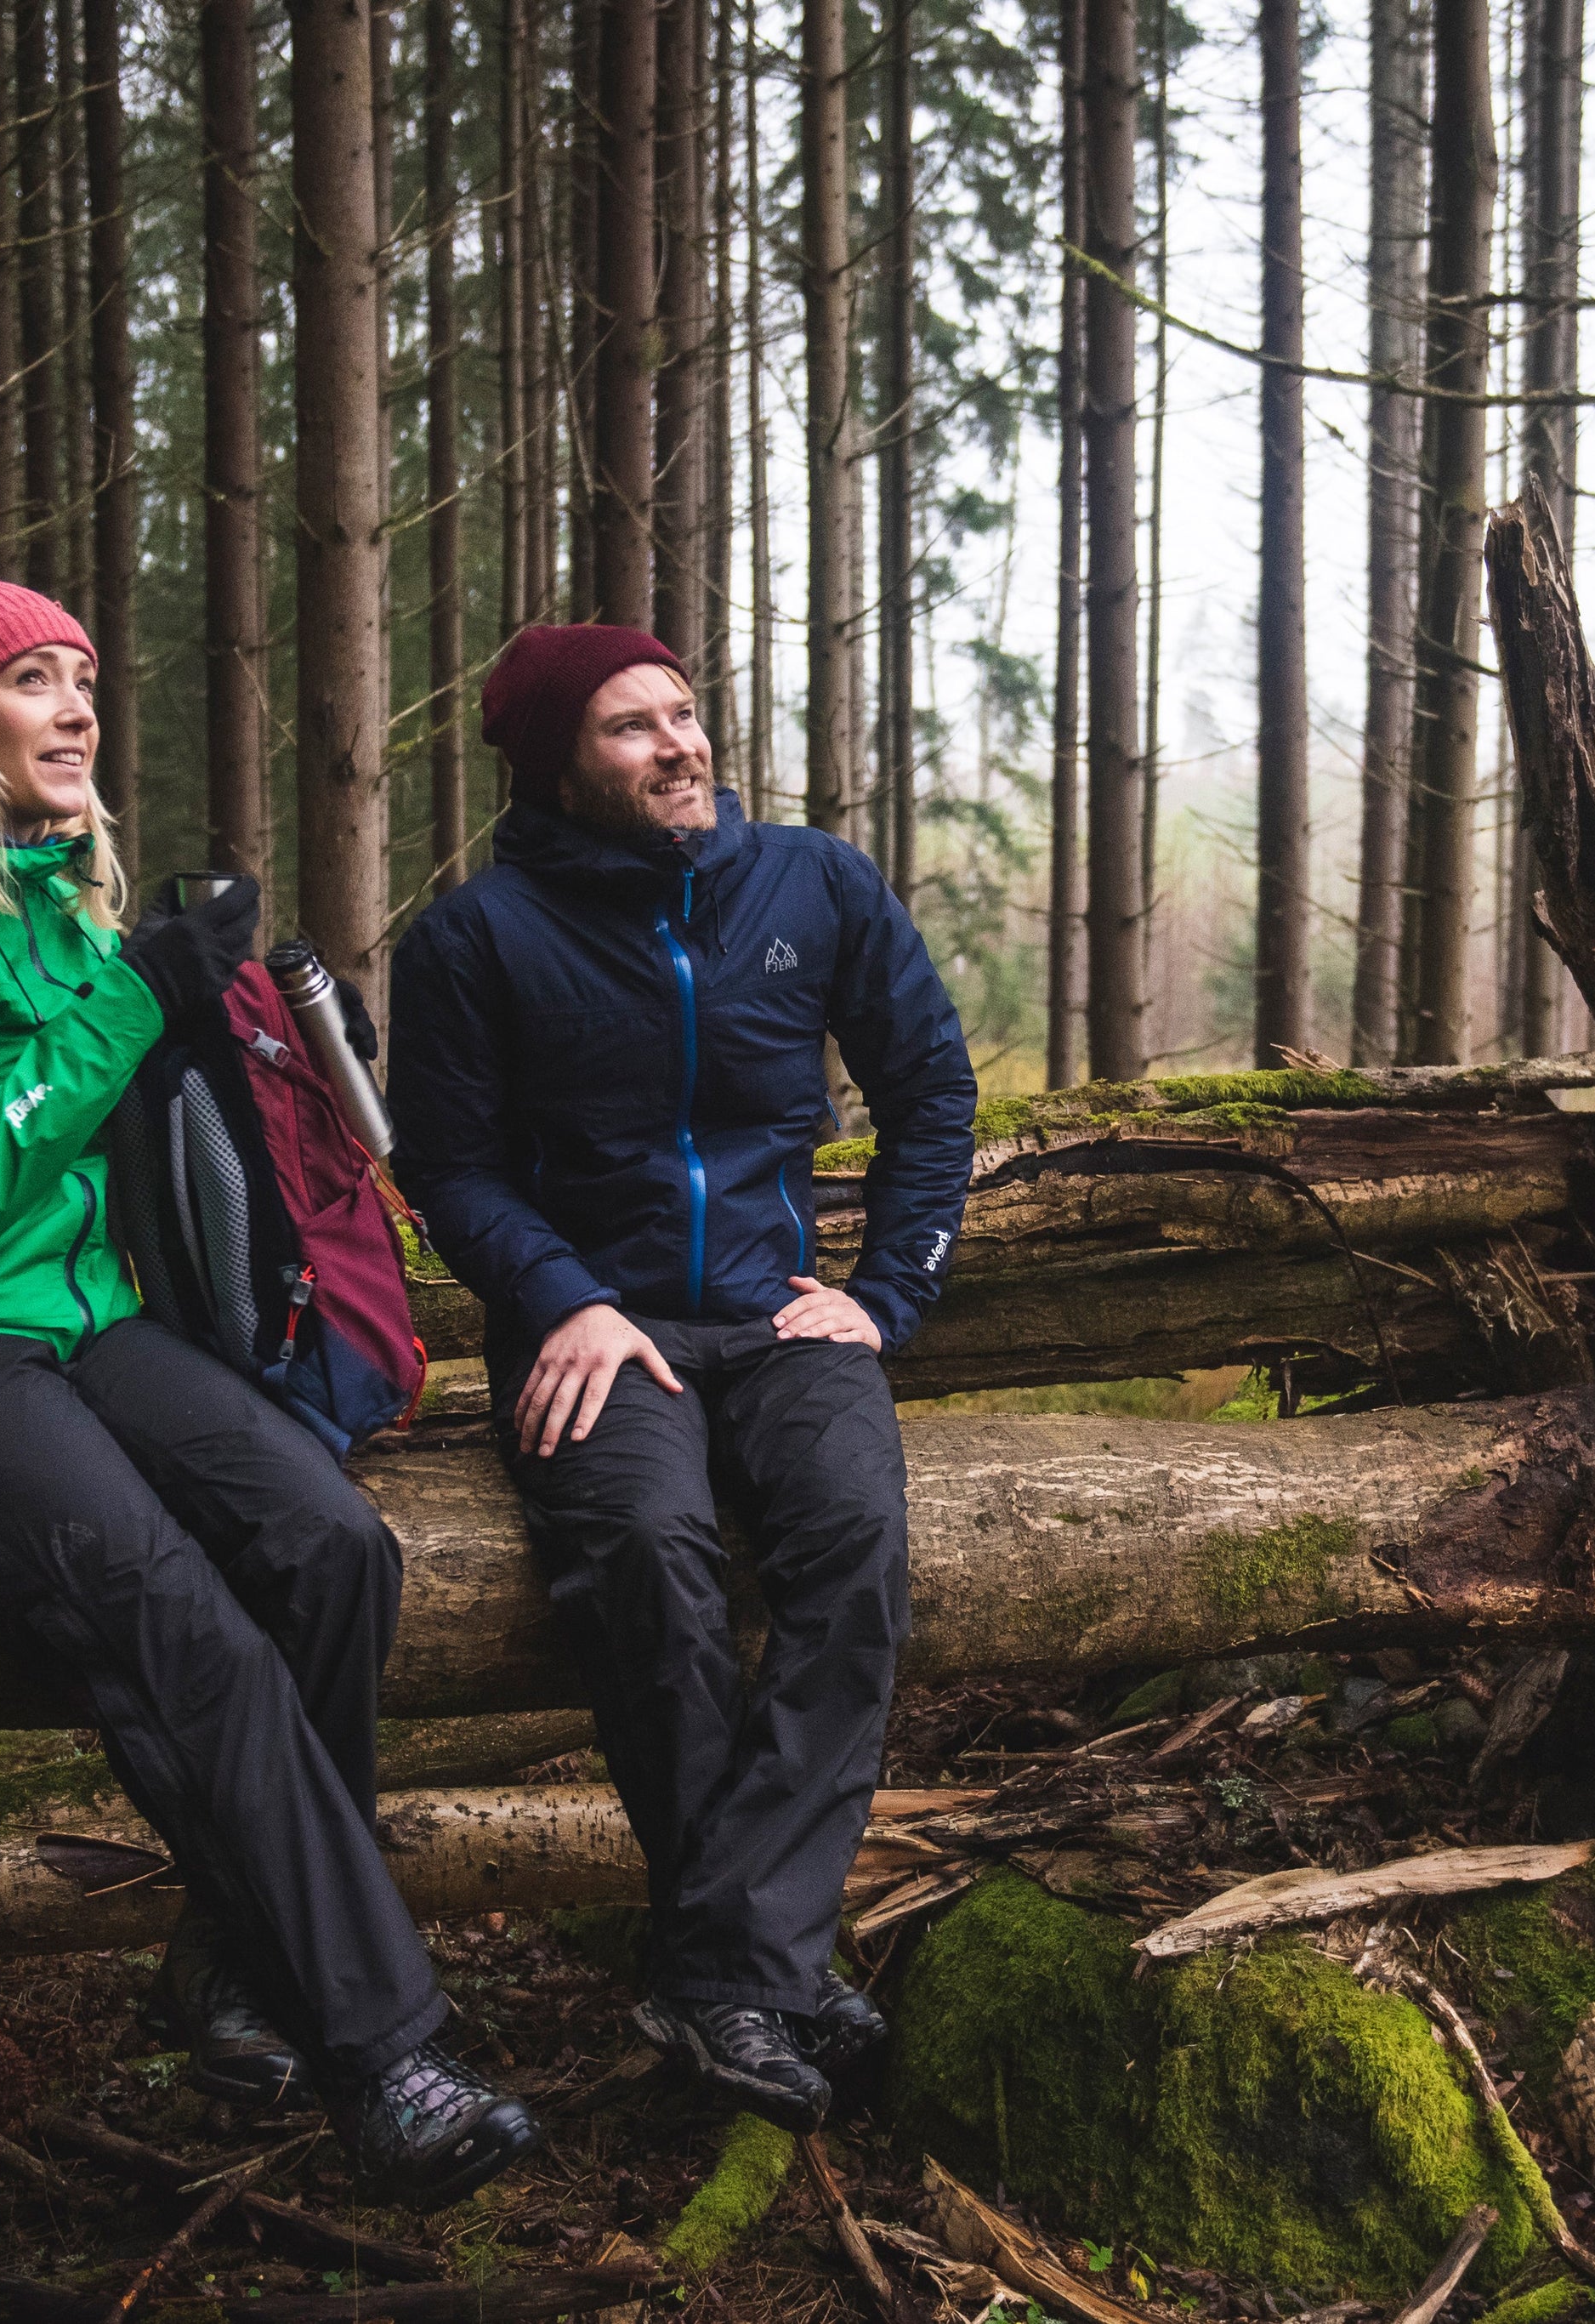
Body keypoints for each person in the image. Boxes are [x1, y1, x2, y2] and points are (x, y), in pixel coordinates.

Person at [0, 575, 537, 2208]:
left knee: (333, 1546)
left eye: (84, 679)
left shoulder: (59, 909)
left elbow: (135, 1119)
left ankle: (234, 1961)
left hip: (79, 1320)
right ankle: (383, 2053)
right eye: (32, 680)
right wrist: (137, 997)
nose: (76, 709)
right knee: (186, 1628)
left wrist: (267, 1034)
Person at [391, 624, 976, 2134]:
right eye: (631, 726)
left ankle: (726, 1966)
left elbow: (930, 1087)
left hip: (782, 1317)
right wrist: (566, 1298)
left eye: (686, 711)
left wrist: (884, 1296)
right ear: (555, 766)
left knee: (854, 1541)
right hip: (597, 1329)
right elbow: (450, 1169)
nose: (681, 744)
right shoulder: (474, 940)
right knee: (649, 1558)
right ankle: (767, 1968)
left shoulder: (813, 883)